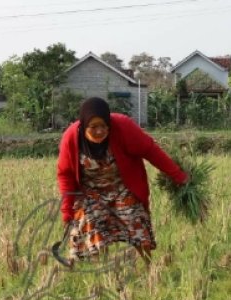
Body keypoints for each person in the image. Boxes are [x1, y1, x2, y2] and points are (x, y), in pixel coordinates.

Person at [56, 97, 190, 268]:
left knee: (135, 219)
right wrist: (66, 210)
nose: (99, 131)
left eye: (103, 126)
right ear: (83, 125)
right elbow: (65, 175)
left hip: (122, 186)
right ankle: (101, 270)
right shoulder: (71, 138)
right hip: (90, 191)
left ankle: (149, 267)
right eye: (93, 127)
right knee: (90, 221)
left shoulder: (123, 127)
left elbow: (151, 151)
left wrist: (178, 175)